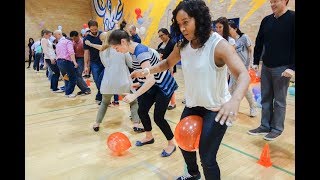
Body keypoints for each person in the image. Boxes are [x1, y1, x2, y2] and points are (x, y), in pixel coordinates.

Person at [130, 0, 250, 179]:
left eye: (186, 22)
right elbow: (167, 63)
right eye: (179, 24)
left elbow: (243, 74)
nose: (183, 28)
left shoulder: (218, 46)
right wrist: (146, 70)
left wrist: (235, 100)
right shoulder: (182, 45)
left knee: (207, 157)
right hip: (193, 104)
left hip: (216, 108)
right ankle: (193, 175)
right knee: (184, 145)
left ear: (199, 19)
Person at [108, 29, 179, 157]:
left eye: (116, 47)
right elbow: (148, 73)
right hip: (154, 84)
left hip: (163, 85)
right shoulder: (133, 52)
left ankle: (171, 144)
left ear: (123, 42)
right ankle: (149, 137)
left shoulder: (140, 53)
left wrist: (134, 95)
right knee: (142, 111)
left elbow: (151, 80)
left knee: (158, 117)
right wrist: (139, 82)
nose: (116, 50)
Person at [247, 0, 295, 141]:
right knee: (265, 98)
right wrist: (256, 61)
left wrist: (292, 67)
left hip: (283, 67)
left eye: (276, 1)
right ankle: (264, 125)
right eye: (271, 1)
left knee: (279, 100)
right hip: (266, 66)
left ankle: (277, 128)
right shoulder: (266, 20)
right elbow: (259, 41)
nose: (272, 4)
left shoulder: (292, 18)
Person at [85, 31, 144, 133]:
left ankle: (97, 123)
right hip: (123, 81)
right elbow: (131, 64)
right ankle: (136, 124)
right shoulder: (122, 49)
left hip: (108, 82)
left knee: (104, 103)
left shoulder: (102, 51)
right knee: (133, 102)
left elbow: (105, 65)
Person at [228, 20, 258, 117]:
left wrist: (252, 63)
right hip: (233, 68)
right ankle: (232, 108)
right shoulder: (229, 41)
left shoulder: (244, 37)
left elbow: (251, 50)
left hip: (244, 68)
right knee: (231, 89)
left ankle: (253, 106)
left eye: (229, 29)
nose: (228, 31)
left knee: (244, 88)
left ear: (235, 29)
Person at [83, 20, 104, 104]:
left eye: (95, 29)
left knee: (103, 80)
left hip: (104, 61)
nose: (94, 31)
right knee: (97, 80)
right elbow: (86, 52)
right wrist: (86, 65)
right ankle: (100, 96)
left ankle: (100, 97)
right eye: (92, 30)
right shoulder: (86, 38)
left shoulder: (102, 35)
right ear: (89, 28)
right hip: (94, 62)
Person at [157, 28, 177, 110]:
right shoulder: (160, 44)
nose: (161, 37)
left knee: (170, 85)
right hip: (162, 67)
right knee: (163, 86)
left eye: (162, 35)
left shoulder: (173, 43)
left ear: (167, 34)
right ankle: (166, 102)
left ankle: (173, 103)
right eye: (159, 36)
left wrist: (171, 68)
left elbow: (175, 56)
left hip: (170, 67)